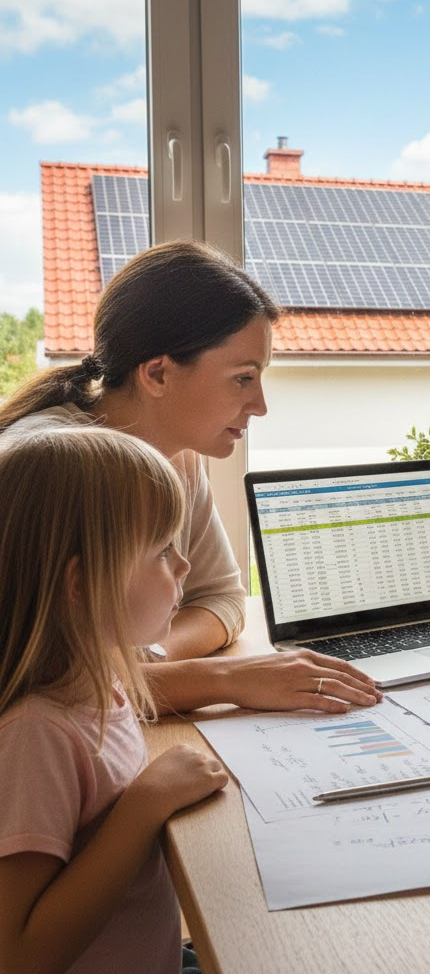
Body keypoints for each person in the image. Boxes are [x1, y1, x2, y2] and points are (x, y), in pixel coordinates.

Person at [0, 425, 231, 974]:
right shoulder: (36, 735)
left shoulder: (97, 681)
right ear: (80, 585)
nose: (184, 566)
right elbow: (17, 956)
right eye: (162, 551)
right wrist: (145, 804)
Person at [0, 239, 274, 661]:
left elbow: (221, 598)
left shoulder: (181, 457)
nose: (260, 406)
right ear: (157, 374)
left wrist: (146, 663)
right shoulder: (47, 468)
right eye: (243, 378)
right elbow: (41, 675)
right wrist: (219, 679)